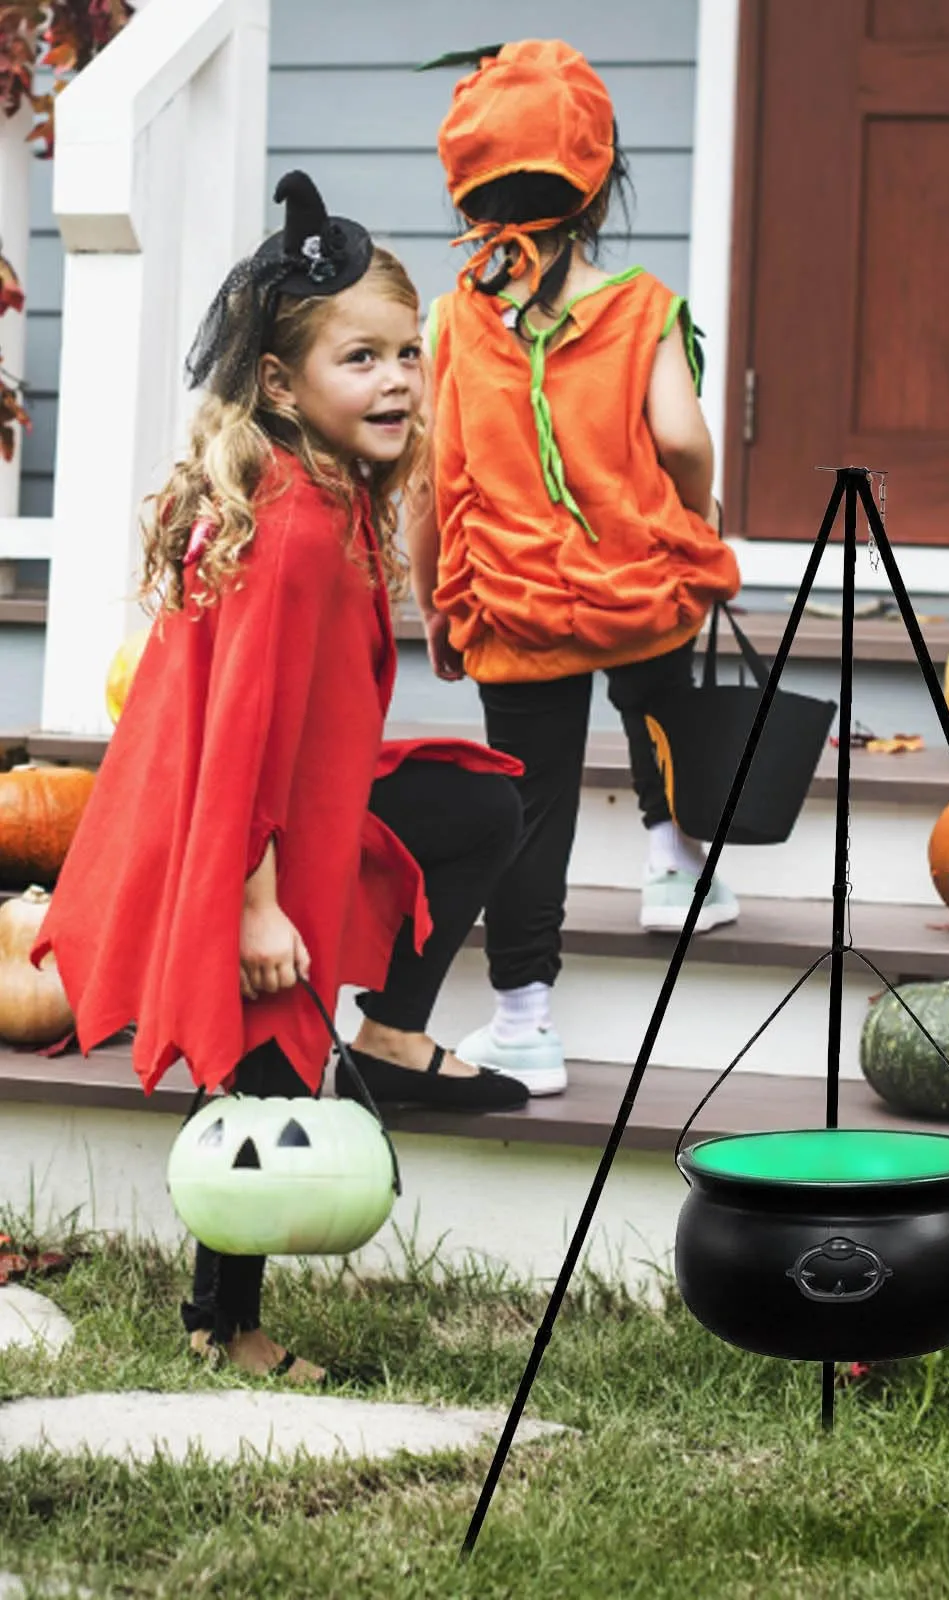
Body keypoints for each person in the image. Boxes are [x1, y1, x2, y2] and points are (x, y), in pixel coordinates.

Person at [33, 172, 530, 1385]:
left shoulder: (324, 493)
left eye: (409, 354)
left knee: (475, 805)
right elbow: (245, 729)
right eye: (360, 358)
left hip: (301, 808)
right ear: (279, 382)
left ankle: (392, 1038)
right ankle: (224, 1322)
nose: (400, 380)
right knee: (261, 1066)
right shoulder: (295, 526)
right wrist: (257, 904)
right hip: (241, 834)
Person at [406, 40, 743, 1096]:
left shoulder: (455, 316)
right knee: (658, 702)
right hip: (637, 583)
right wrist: (698, 514)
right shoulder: (643, 306)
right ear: (598, 181)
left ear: (468, 185)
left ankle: (526, 1021)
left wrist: (431, 597)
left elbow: (426, 476)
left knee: (532, 805)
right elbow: (683, 441)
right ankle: (672, 865)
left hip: (513, 605)